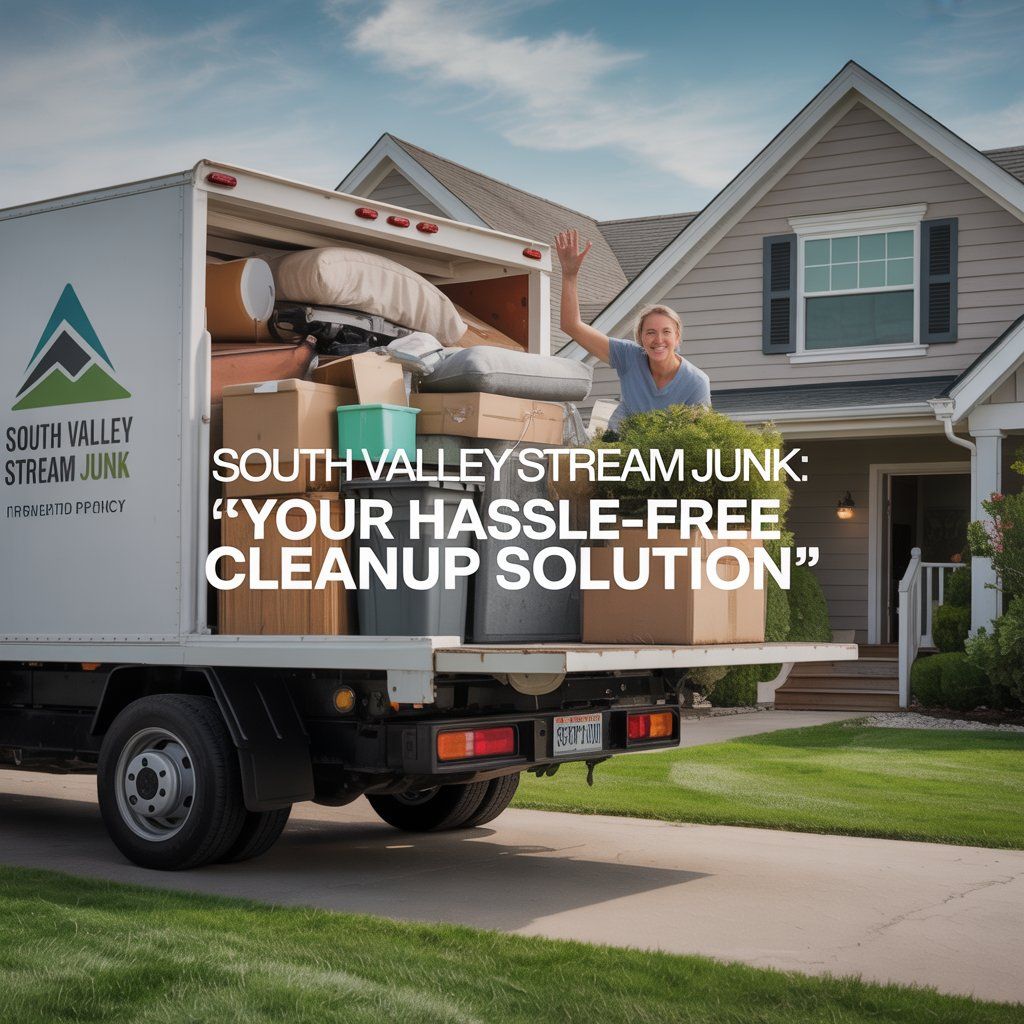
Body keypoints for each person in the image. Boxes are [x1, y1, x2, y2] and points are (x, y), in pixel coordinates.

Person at [554, 228, 710, 434]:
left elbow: (701, 437)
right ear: (640, 339)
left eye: (666, 332)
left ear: (678, 337)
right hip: (619, 445)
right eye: (650, 332)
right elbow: (571, 326)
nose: (658, 339)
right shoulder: (629, 356)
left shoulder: (696, 382)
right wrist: (569, 275)